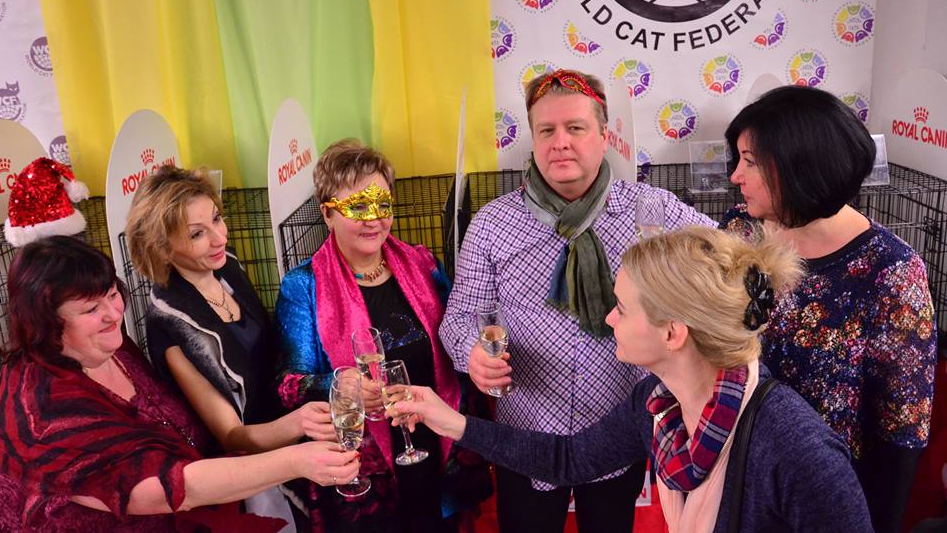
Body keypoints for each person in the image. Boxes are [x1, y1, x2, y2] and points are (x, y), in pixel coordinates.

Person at [400, 227, 874, 531]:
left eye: (623, 309)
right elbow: (568, 459)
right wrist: (452, 422)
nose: (608, 319)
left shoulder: (796, 448)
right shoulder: (657, 404)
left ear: (672, 333)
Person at [439, 68, 714, 533]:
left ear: (605, 136)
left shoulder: (651, 209)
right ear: (533, 139)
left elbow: (722, 261)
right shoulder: (492, 223)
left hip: (618, 430)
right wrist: (473, 354)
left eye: (575, 128)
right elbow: (461, 317)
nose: (560, 143)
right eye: (546, 130)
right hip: (526, 436)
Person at [0, 236, 359, 532]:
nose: (113, 314)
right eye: (90, 309)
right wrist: (296, 461)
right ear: (44, 322)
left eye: (113, 295)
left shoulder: (107, 345)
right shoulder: (41, 411)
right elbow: (173, 487)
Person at [721, 85, 936, 533]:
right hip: (731, 475)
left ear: (800, 166)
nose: (735, 176)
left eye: (751, 162)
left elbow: (902, 425)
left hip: (821, 500)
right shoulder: (740, 230)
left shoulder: (890, 271)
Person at [274, 139, 491, 532]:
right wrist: (340, 384)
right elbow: (290, 385)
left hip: (437, 447)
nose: (374, 219)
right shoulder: (303, 286)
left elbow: (457, 339)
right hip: (365, 467)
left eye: (383, 205)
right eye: (358, 207)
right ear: (327, 213)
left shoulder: (422, 263)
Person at [126, 165, 335, 530]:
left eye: (217, 219)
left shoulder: (226, 266)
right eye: (197, 234)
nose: (219, 237)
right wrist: (299, 424)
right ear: (161, 248)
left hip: (292, 438)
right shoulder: (171, 324)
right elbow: (231, 436)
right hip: (254, 475)